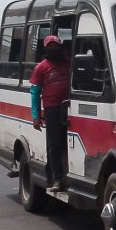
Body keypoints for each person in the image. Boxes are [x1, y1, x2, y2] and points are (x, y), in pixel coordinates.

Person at [29, 35, 70, 192]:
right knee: (54, 145)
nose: (53, 49)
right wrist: (35, 116)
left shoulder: (69, 63)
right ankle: (57, 179)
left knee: (68, 144)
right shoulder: (41, 67)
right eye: (50, 47)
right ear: (45, 49)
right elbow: (34, 93)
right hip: (52, 109)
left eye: (56, 46)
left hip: (70, 108)